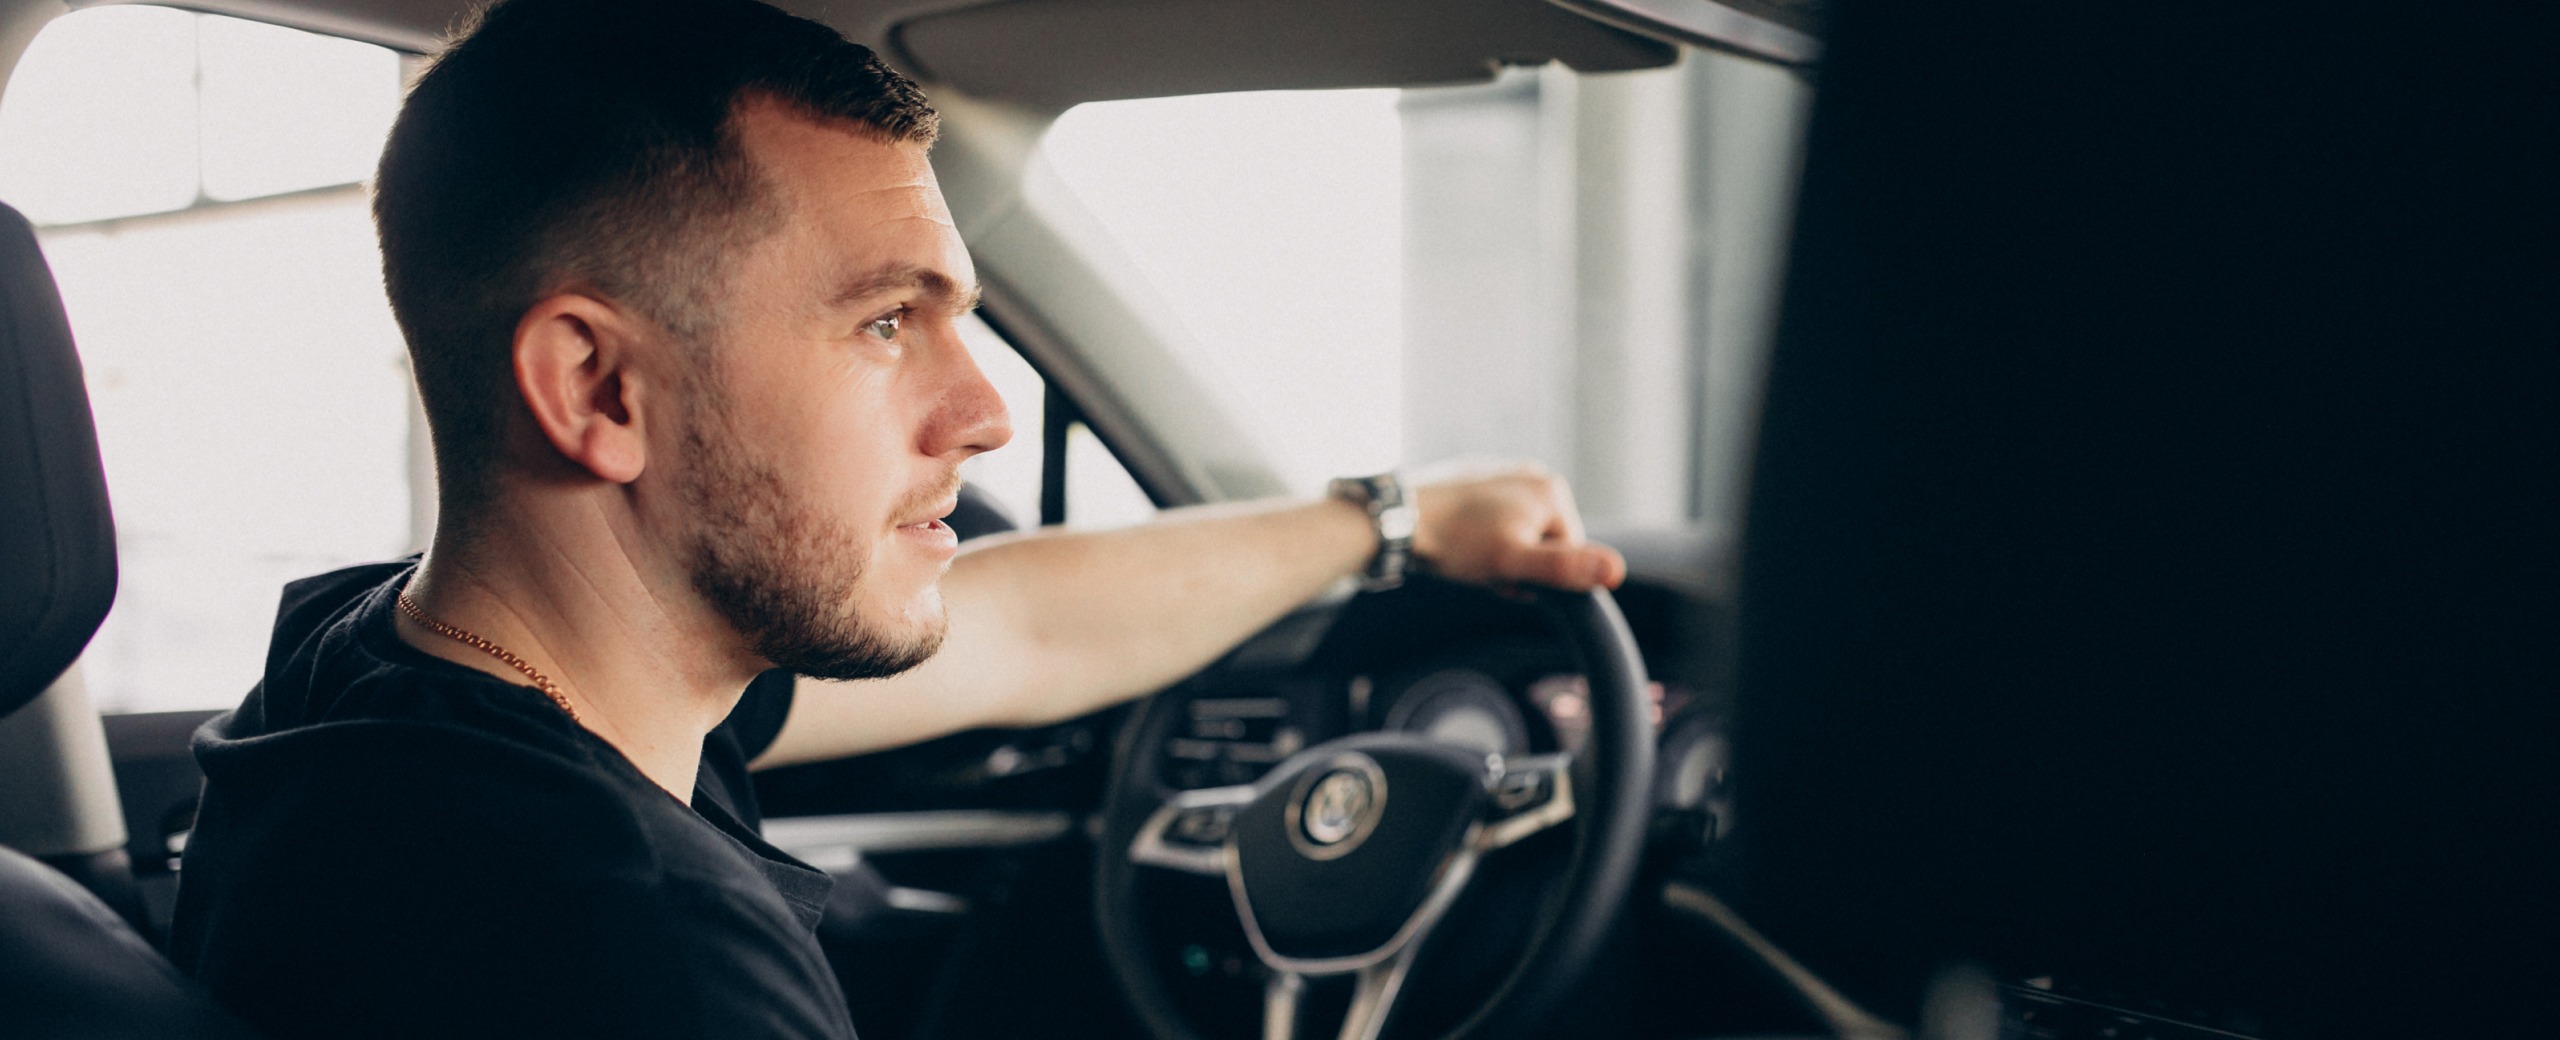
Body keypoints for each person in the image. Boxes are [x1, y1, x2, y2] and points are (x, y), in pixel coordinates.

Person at [167, 0, 1626, 1036]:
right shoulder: (645, 958)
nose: (984, 413)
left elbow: (1024, 629)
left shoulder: (377, 672)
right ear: (598, 387)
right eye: (884, 322)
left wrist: (1391, 519)